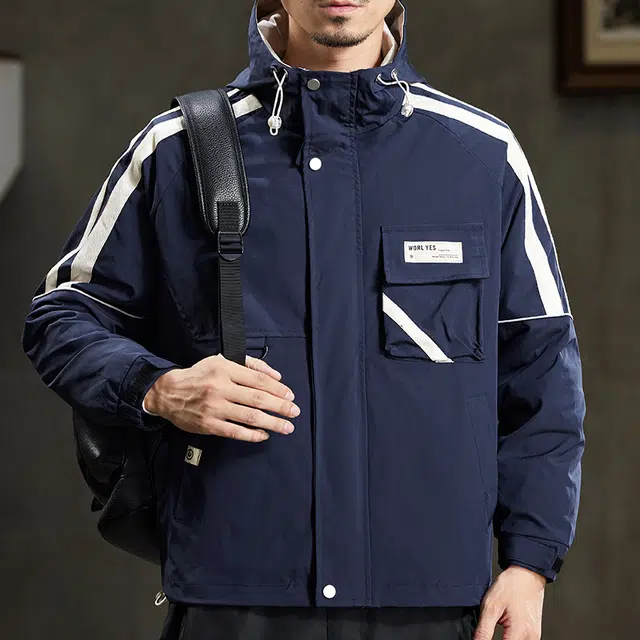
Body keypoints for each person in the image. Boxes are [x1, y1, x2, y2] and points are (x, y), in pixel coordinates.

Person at [21, 1, 586, 639]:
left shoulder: (483, 155)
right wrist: (159, 387)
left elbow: (543, 376)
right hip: (234, 603)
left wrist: (529, 564)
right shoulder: (176, 149)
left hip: (433, 604)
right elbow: (60, 315)